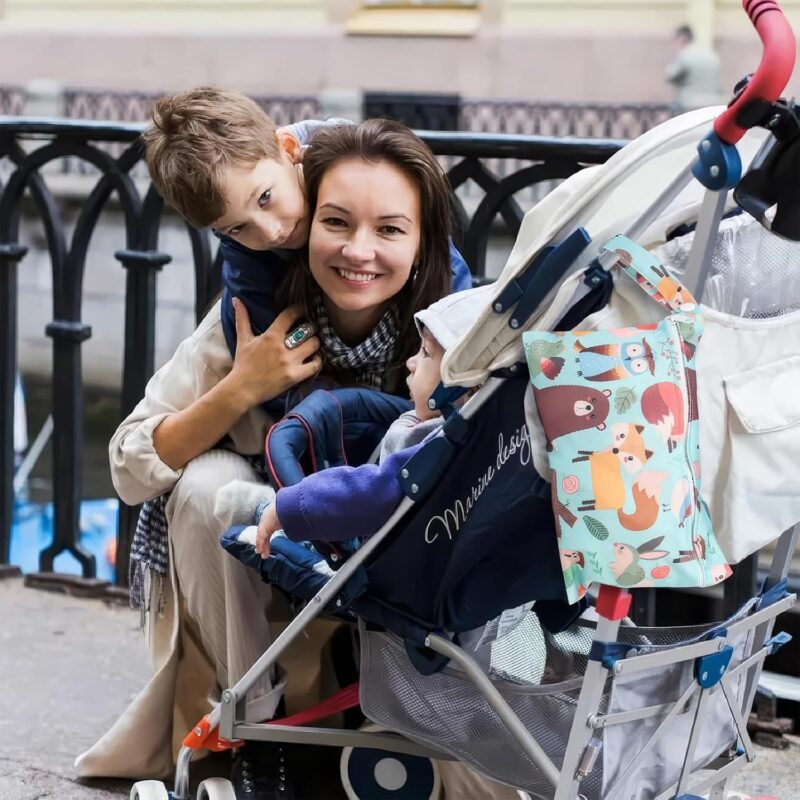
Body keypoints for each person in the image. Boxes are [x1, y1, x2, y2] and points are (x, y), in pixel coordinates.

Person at [77, 112, 463, 791]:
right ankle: (251, 726)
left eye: (389, 229)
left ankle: (385, 713)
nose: (358, 250)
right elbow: (130, 464)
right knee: (209, 487)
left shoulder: (451, 329)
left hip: (400, 549)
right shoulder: (255, 317)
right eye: (335, 223)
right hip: (270, 555)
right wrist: (241, 387)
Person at [251, 285, 492, 558]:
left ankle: (264, 510)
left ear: (464, 387)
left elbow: (372, 492)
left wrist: (291, 508)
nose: (411, 362)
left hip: (387, 561)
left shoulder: (442, 444)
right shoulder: (491, 438)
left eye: (425, 353)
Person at [665, 24, 724, 112]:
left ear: (682, 39)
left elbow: (670, 74)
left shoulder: (685, 54)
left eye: (674, 40)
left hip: (690, 105)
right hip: (715, 104)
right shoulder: (711, 54)